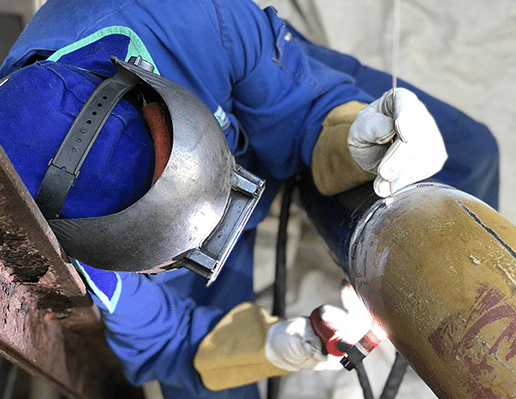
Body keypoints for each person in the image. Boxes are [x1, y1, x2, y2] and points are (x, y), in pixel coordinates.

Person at [0, 1, 498, 398]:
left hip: (252, 111)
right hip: (175, 246)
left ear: (144, 87)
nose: (225, 227)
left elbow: (304, 110)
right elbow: (167, 340)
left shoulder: (190, 20)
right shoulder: (65, 252)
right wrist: (277, 346)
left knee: (471, 156)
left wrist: (349, 141)